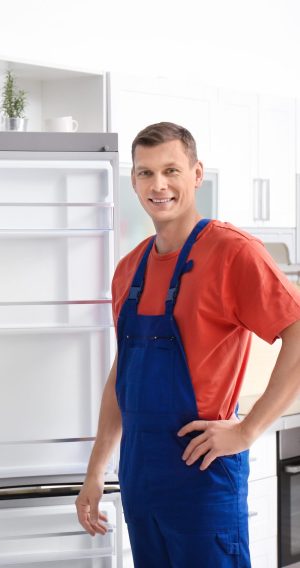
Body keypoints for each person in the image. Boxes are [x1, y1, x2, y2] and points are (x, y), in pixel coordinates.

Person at [75, 122, 300, 567]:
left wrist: (246, 431)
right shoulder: (129, 269)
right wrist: (96, 468)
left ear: (196, 174)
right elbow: (125, 372)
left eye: (171, 170)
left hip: (202, 480)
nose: (158, 185)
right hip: (141, 479)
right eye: (145, 173)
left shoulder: (232, 253)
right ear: (134, 180)